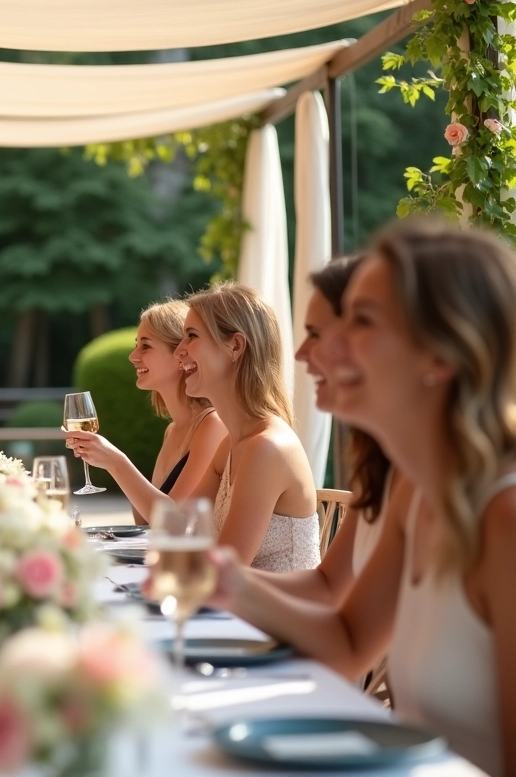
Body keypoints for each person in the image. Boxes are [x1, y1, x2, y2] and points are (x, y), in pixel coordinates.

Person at [209, 221, 516, 776]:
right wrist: (225, 581)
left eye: (363, 320)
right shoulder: (416, 493)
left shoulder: (505, 520)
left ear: (443, 355)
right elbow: (348, 638)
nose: (324, 348)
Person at [68, 283, 320, 572]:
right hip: (234, 610)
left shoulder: (267, 447)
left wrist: (116, 462)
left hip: (267, 616)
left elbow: (225, 572)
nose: (180, 352)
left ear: (235, 346)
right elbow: (176, 526)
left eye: (191, 336)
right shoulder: (232, 444)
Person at [252, 256, 410, 605]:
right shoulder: (385, 468)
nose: (300, 353)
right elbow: (345, 632)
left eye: (316, 334)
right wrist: (212, 579)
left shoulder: (497, 506)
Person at [128, 300, 225, 508]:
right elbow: (144, 520)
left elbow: (173, 520)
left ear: (180, 353)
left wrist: (116, 463)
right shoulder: (171, 430)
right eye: (136, 345)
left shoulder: (212, 425)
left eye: (145, 346)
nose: (133, 356)